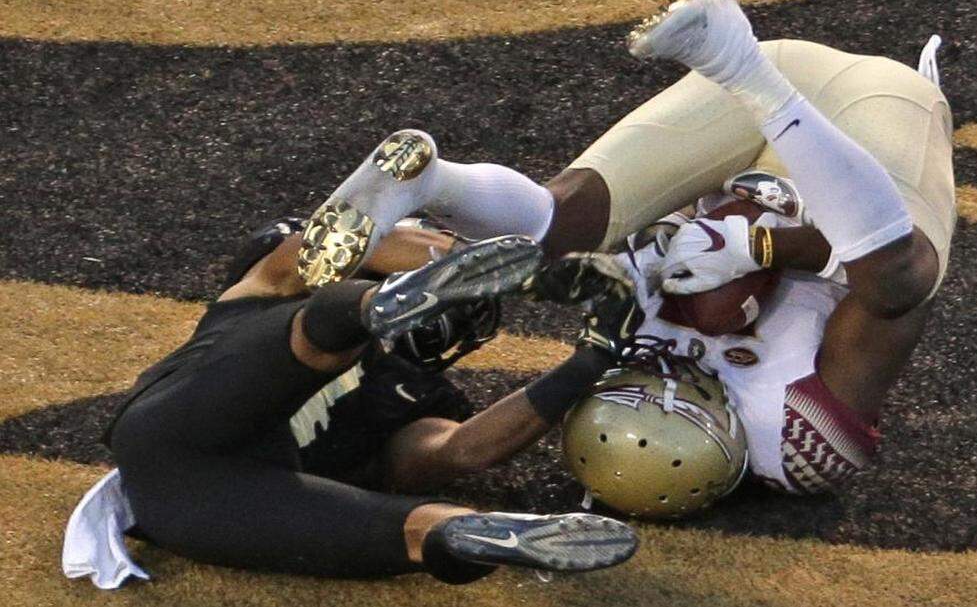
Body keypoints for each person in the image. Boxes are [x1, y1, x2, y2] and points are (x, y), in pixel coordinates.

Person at [298, 0, 953, 498]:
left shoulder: (620, 358)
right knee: (899, 276)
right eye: (680, 395)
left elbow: (571, 281)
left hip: (752, 114)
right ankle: (750, 74)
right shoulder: (800, 437)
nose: (664, 370)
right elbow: (900, 294)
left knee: (559, 230)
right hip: (870, 114)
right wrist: (766, 250)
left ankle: (435, 183)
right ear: (722, 441)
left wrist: (655, 256)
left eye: (633, 381)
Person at [64, 218, 639, 589]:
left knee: (414, 527)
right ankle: (459, 529)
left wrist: (518, 279)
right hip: (210, 462)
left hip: (185, 492)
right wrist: (589, 356)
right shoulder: (271, 284)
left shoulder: (409, 387)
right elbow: (463, 450)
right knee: (406, 527)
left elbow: (461, 449)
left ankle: (467, 532)